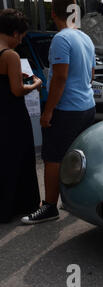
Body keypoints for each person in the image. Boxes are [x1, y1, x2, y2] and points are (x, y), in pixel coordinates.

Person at [21, 0, 96, 224]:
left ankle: (50, 206)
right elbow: (91, 75)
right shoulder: (85, 38)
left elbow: (60, 77)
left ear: (53, 13)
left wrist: (48, 111)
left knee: (53, 157)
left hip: (67, 108)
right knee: (80, 155)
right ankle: (76, 200)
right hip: (87, 105)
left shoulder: (61, 39)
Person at [0, 9, 42, 223]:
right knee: (19, 157)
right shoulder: (10, 55)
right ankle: (22, 204)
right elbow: (17, 90)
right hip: (12, 115)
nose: (21, 41)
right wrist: (35, 83)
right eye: (22, 36)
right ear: (15, 33)